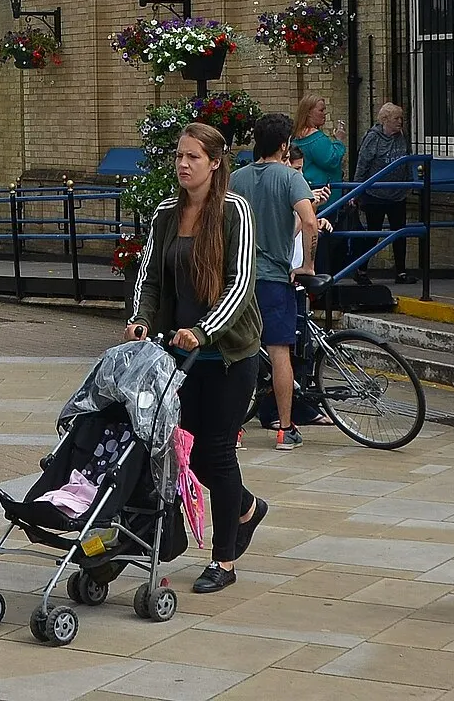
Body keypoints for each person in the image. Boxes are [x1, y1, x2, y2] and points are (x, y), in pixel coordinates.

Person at [124, 122, 267, 595]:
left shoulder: (234, 211)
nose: (183, 165)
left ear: (215, 163)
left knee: (217, 453)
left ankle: (224, 560)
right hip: (175, 358)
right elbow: (149, 279)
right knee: (184, 452)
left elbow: (240, 282)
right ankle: (245, 507)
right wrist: (141, 321)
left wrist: (203, 331)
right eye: (179, 156)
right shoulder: (166, 213)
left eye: (194, 157)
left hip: (227, 355)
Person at [231, 112, 330, 450]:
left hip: (239, 280)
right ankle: (285, 430)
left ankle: (233, 430)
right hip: (275, 278)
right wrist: (308, 265)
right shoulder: (290, 179)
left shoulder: (236, 179)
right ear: (285, 145)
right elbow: (310, 222)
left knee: (238, 352)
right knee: (279, 353)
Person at [352, 101, 417, 284]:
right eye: (396, 118)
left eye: (401, 118)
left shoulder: (401, 136)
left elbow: (407, 159)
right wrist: (356, 191)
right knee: (373, 233)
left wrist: (409, 182)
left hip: (398, 194)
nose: (400, 122)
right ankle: (361, 270)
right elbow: (362, 164)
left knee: (399, 233)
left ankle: (401, 272)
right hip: (376, 195)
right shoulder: (373, 138)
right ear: (385, 120)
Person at [290, 96, 345, 274]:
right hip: (325, 194)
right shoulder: (316, 138)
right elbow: (331, 159)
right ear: (308, 113)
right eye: (321, 110)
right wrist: (339, 140)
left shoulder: (297, 137)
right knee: (328, 240)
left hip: (307, 192)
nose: (325, 113)